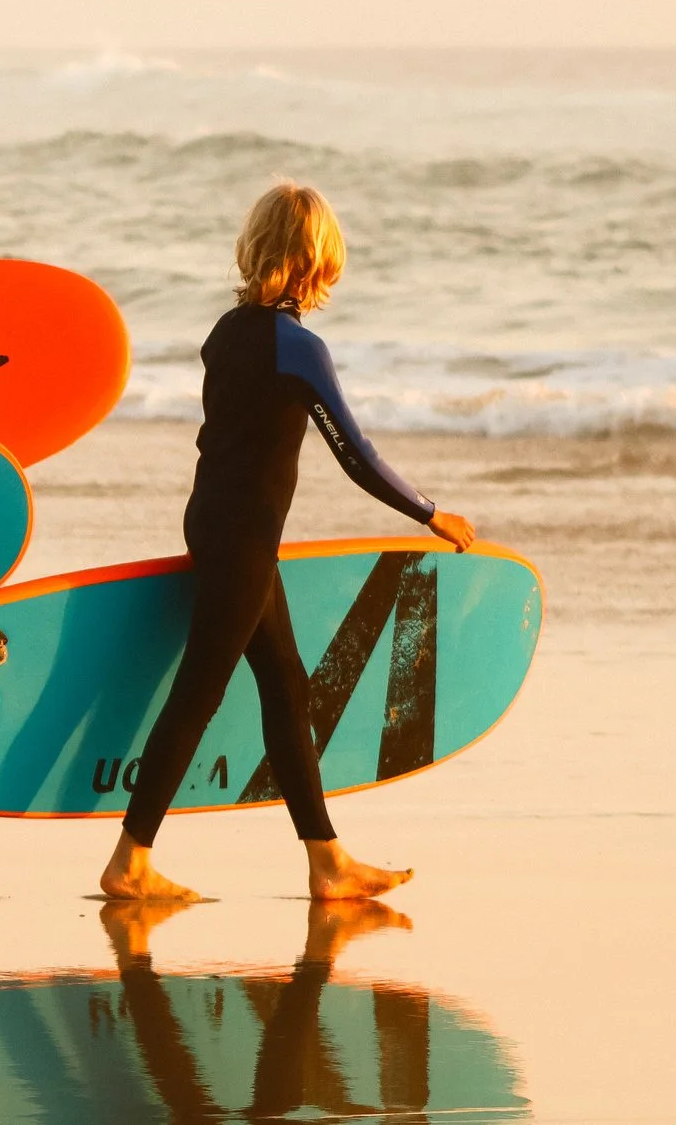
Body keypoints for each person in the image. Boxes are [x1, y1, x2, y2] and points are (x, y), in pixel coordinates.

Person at [100, 181, 477, 905]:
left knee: (285, 686)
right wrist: (428, 512)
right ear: (315, 259)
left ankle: (327, 860)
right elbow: (356, 452)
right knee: (198, 695)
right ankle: (129, 860)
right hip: (242, 537)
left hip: (214, 520)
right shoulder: (298, 348)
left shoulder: (225, 331)